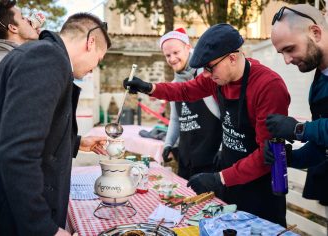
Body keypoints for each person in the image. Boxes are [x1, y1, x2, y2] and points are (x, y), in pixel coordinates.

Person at [124, 23, 290, 226]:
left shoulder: (268, 87)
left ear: (232, 57)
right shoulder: (217, 77)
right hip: (232, 182)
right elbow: (184, 90)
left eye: (209, 68)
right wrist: (149, 87)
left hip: (260, 190)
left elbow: (266, 155)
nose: (205, 75)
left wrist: (219, 178)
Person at [0, 12, 111, 235]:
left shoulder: (40, 55)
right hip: (15, 220)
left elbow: (24, 128)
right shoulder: (48, 57)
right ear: (90, 42)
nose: (93, 70)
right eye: (98, 60)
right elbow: (17, 152)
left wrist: (77, 143)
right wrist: (44, 227)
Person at [266, 4, 328, 205]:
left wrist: (298, 129)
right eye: (281, 53)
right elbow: (321, 148)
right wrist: (288, 157)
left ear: (315, 32)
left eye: (290, 49)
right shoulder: (319, 81)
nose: (286, 60)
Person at [159, 28, 222, 180]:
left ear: (188, 48)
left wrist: (222, 149)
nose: (172, 59)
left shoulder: (206, 76)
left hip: (211, 162)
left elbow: (223, 115)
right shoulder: (175, 84)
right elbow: (176, 119)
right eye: (168, 55)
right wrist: (169, 144)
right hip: (186, 161)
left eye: (176, 53)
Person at [0, 0, 40, 65]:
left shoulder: (11, 57)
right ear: (13, 28)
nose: (28, 19)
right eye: (22, 18)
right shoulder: (14, 62)